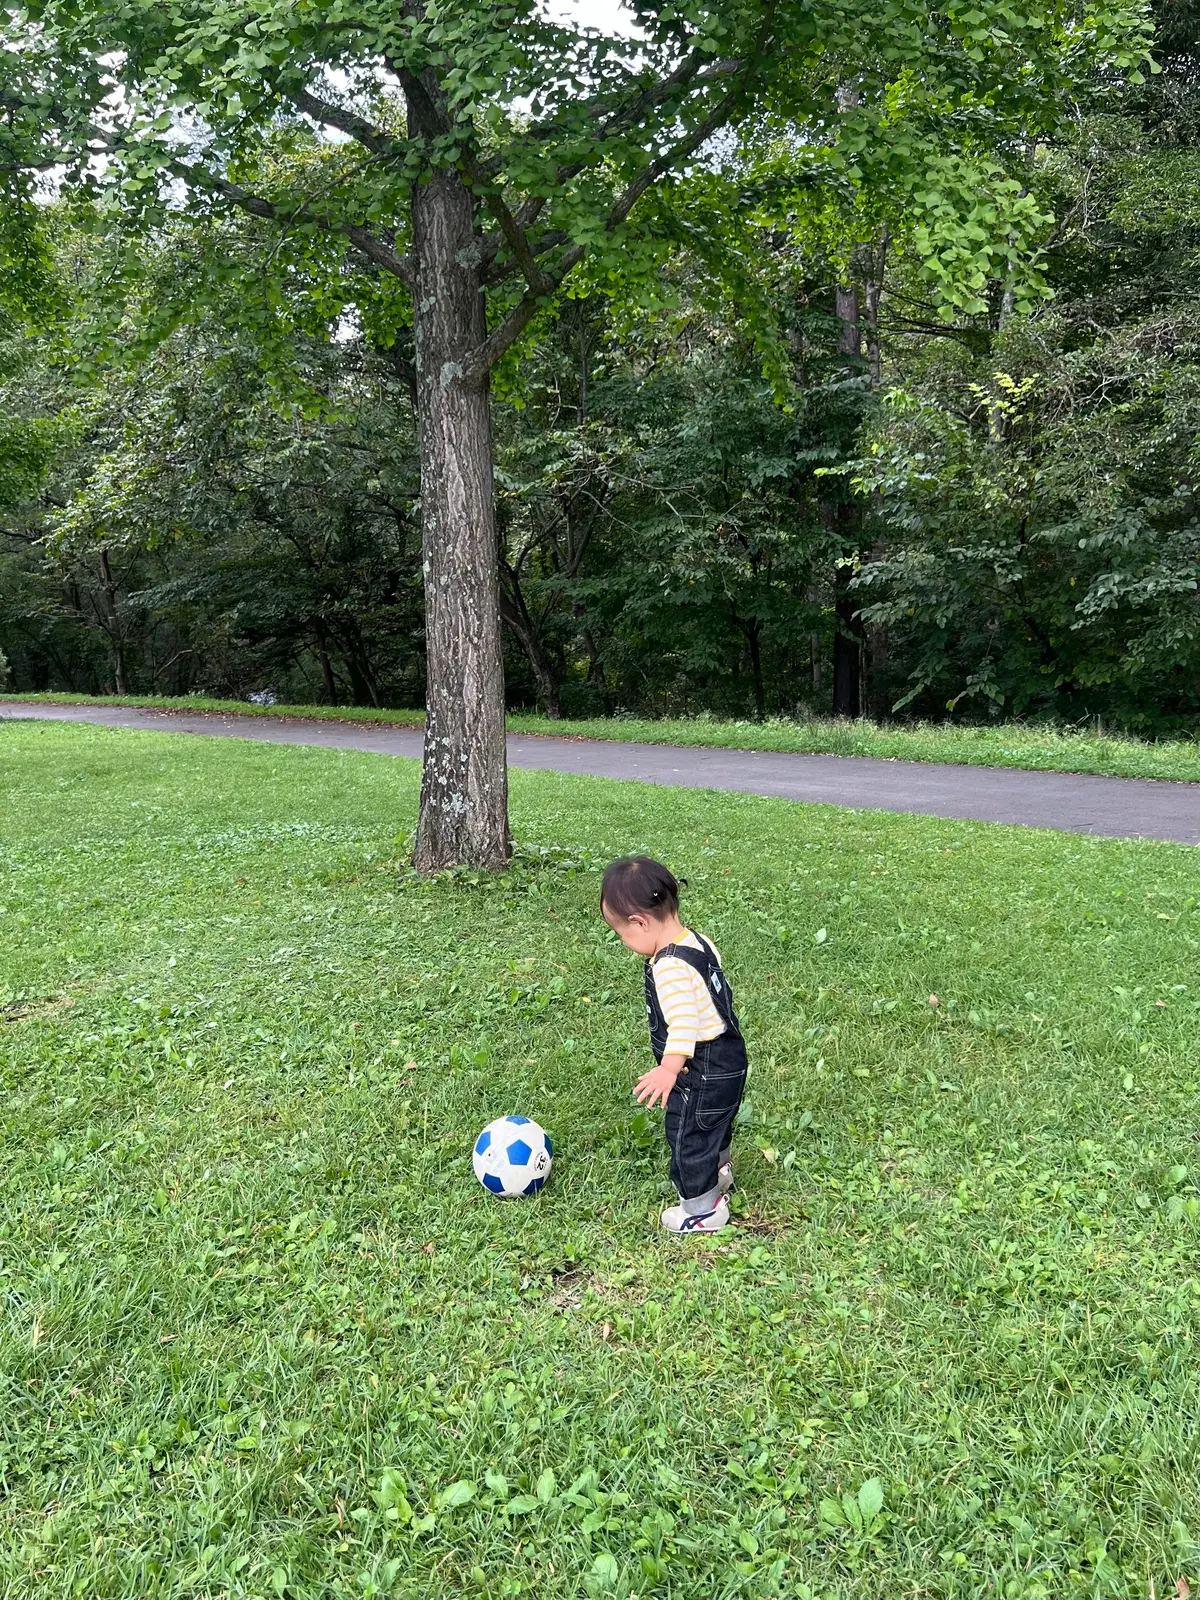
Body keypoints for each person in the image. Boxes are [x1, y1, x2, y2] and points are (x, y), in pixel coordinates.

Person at [600, 855, 748, 1233]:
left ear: (640, 922)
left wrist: (669, 1069)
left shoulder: (668, 967)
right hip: (730, 1054)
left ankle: (702, 1209)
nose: (625, 941)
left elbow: (683, 1023)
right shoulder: (697, 941)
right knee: (716, 1120)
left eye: (622, 934)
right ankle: (720, 1170)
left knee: (688, 1132)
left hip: (700, 1066)